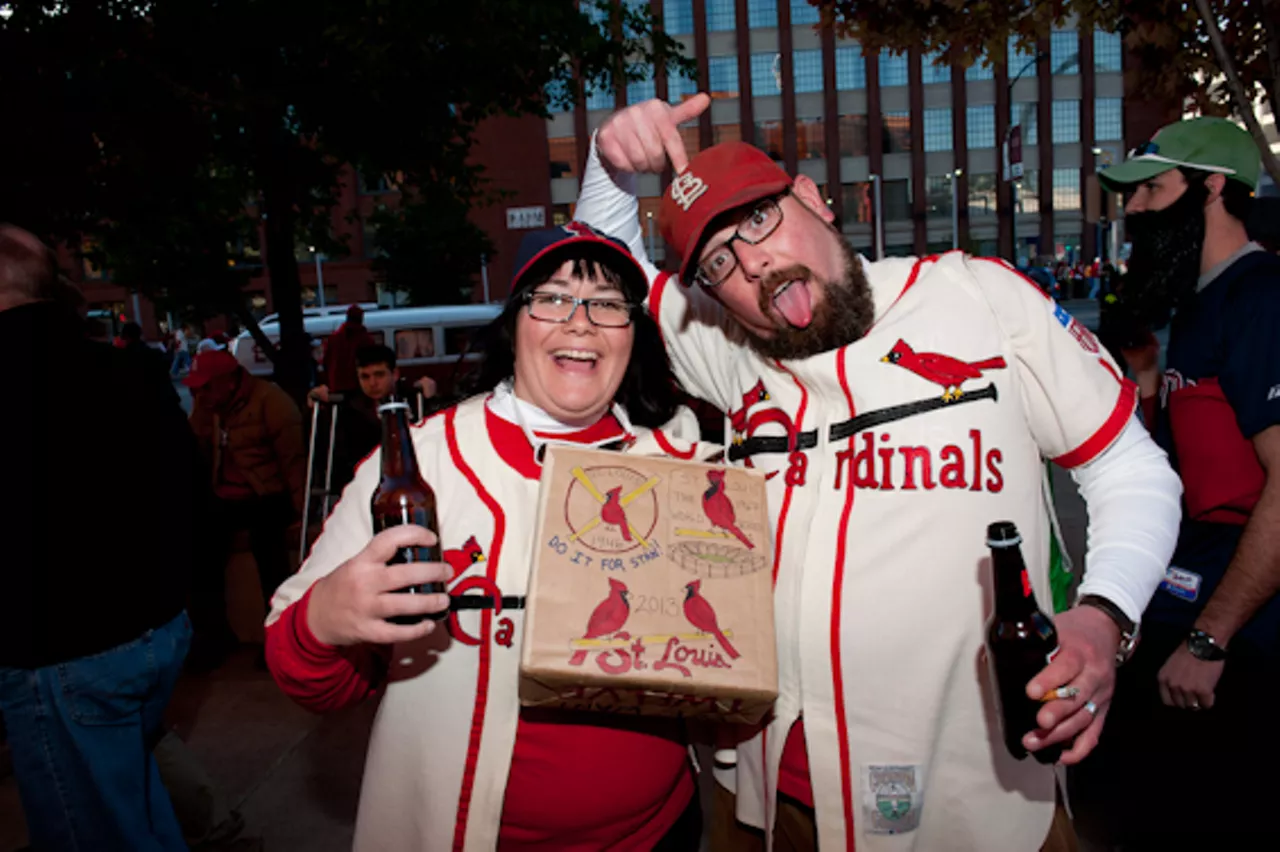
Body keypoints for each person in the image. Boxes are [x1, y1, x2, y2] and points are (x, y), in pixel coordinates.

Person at [576, 94, 1184, 851]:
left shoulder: (974, 295)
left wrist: (1105, 616)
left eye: (759, 220)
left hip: (976, 797)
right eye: (721, 260)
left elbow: (1130, 467)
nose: (753, 260)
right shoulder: (732, 351)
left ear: (810, 196)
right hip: (774, 801)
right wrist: (608, 163)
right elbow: (605, 279)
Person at [264, 223, 710, 850]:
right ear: (514, 322)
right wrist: (324, 622)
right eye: (552, 297)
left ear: (632, 334)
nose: (581, 322)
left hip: (662, 832)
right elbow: (305, 676)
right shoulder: (422, 461)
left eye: (609, 304)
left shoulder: (677, 465)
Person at [1069, 117, 1280, 848]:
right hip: (1184, 598)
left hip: (1244, 631)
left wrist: (1211, 640)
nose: (1133, 211)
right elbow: (1179, 470)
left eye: (1153, 190)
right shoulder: (1196, 305)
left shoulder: (1262, 298)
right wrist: (1150, 380)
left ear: (1213, 188)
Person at [0, 224, 202, 851]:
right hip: (157, 635)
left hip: (62, 657)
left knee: (95, 830)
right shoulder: (132, 370)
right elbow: (191, 493)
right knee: (133, 807)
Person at [185, 348, 307, 671]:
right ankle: (214, 635)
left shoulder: (272, 403)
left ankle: (278, 637)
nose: (200, 393)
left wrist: (302, 511)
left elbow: (294, 462)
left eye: (206, 386)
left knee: (269, 550)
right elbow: (193, 451)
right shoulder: (208, 408)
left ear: (228, 381)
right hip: (225, 497)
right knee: (197, 548)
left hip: (267, 494)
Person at [308, 344, 440, 491]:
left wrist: (430, 399)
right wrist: (315, 409)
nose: (372, 383)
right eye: (365, 376)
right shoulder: (348, 407)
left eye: (379, 375)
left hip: (407, 481)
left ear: (395, 374)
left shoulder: (413, 399)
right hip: (362, 483)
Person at [323, 304, 375, 394]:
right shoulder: (365, 339)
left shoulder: (334, 338)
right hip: (357, 386)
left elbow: (326, 361)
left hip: (336, 384)